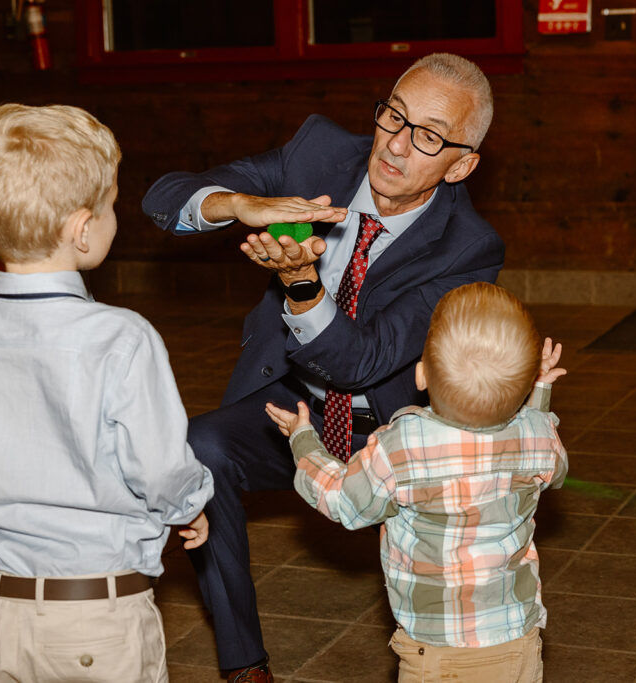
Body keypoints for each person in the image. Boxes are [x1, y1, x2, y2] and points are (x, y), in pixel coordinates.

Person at [143, 53, 504, 681]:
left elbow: (358, 362)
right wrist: (240, 204)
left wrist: (301, 285)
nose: (395, 146)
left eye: (428, 136)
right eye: (394, 116)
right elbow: (162, 198)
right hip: (292, 403)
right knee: (200, 448)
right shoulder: (319, 153)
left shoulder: (467, 247)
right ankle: (244, 667)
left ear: (461, 164)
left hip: (393, 430)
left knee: (445, 588)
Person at [0, 103, 214, 683]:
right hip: (100, 622)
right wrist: (189, 503)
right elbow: (157, 466)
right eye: (110, 205)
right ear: (82, 228)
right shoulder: (122, 339)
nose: (113, 216)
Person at [266, 282, 568, 682]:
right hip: (516, 641)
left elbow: (343, 501)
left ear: (421, 374)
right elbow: (553, 469)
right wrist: (539, 394)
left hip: (436, 654)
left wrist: (304, 442)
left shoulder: (404, 445)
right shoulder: (538, 436)